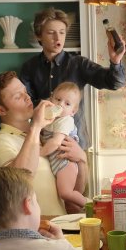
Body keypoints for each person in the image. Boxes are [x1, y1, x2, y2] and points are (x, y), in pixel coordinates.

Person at [19, 7, 126, 149]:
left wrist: (115, 61)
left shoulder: (79, 63)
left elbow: (116, 83)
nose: (58, 38)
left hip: (75, 144)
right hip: (42, 143)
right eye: (51, 33)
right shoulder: (29, 67)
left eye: (62, 33)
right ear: (39, 36)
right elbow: (26, 106)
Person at [0, 70, 78, 216]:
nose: (27, 98)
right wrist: (36, 127)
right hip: (32, 232)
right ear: (1, 110)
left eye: (25, 92)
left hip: (61, 226)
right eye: (18, 96)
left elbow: (77, 189)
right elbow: (18, 182)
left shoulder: (46, 134)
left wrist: (82, 160)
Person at [41, 82, 86, 212]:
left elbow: (55, 142)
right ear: (51, 99)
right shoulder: (51, 119)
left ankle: (92, 205)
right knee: (67, 199)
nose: (60, 104)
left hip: (66, 164)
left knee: (66, 193)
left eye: (67, 104)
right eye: (58, 99)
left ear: (73, 111)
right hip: (58, 163)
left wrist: (40, 152)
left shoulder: (65, 121)